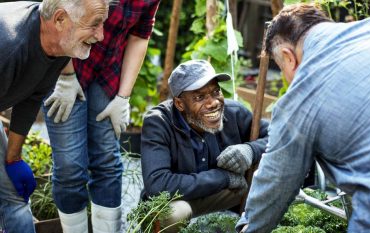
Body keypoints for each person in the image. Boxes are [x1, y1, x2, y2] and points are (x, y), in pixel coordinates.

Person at [237, 3, 370, 233]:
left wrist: (248, 227)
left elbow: (274, 185)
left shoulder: (300, 98)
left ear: (288, 57)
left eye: (281, 67)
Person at [41, 1, 161, 232]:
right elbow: (56, 18)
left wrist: (123, 97)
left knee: (107, 161)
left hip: (107, 72)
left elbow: (140, 35)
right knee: (70, 167)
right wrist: (66, 77)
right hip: (64, 63)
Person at [0, 0, 110, 233]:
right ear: (60, 19)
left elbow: (30, 96)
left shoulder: (58, 44)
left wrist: (13, 157)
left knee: (13, 195)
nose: (101, 35)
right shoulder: (9, 45)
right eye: (94, 24)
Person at [140, 59, 269, 232]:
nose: (213, 103)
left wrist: (250, 150)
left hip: (222, 196)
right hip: (178, 200)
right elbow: (157, 184)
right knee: (172, 214)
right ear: (179, 104)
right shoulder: (158, 123)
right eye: (200, 97)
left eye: (216, 91)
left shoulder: (234, 112)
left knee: (267, 171)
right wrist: (223, 178)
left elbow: (278, 136)